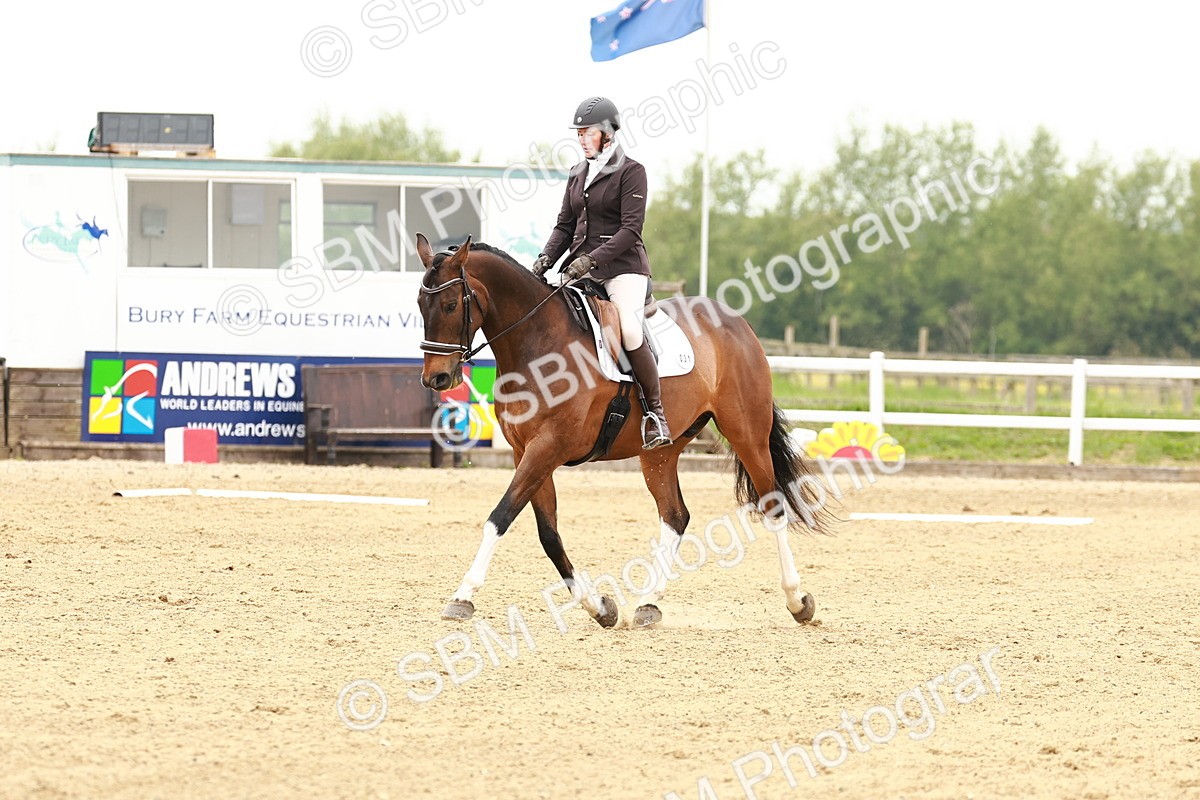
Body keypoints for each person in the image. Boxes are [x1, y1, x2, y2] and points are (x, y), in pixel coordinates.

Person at [532, 96, 672, 450]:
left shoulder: (631, 171)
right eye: (578, 133)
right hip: (582, 270)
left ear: (608, 134)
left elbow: (630, 230)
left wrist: (591, 260)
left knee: (627, 328)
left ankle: (656, 414)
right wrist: (545, 259)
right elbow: (564, 226)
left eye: (587, 133)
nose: (581, 139)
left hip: (623, 268)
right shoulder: (577, 173)